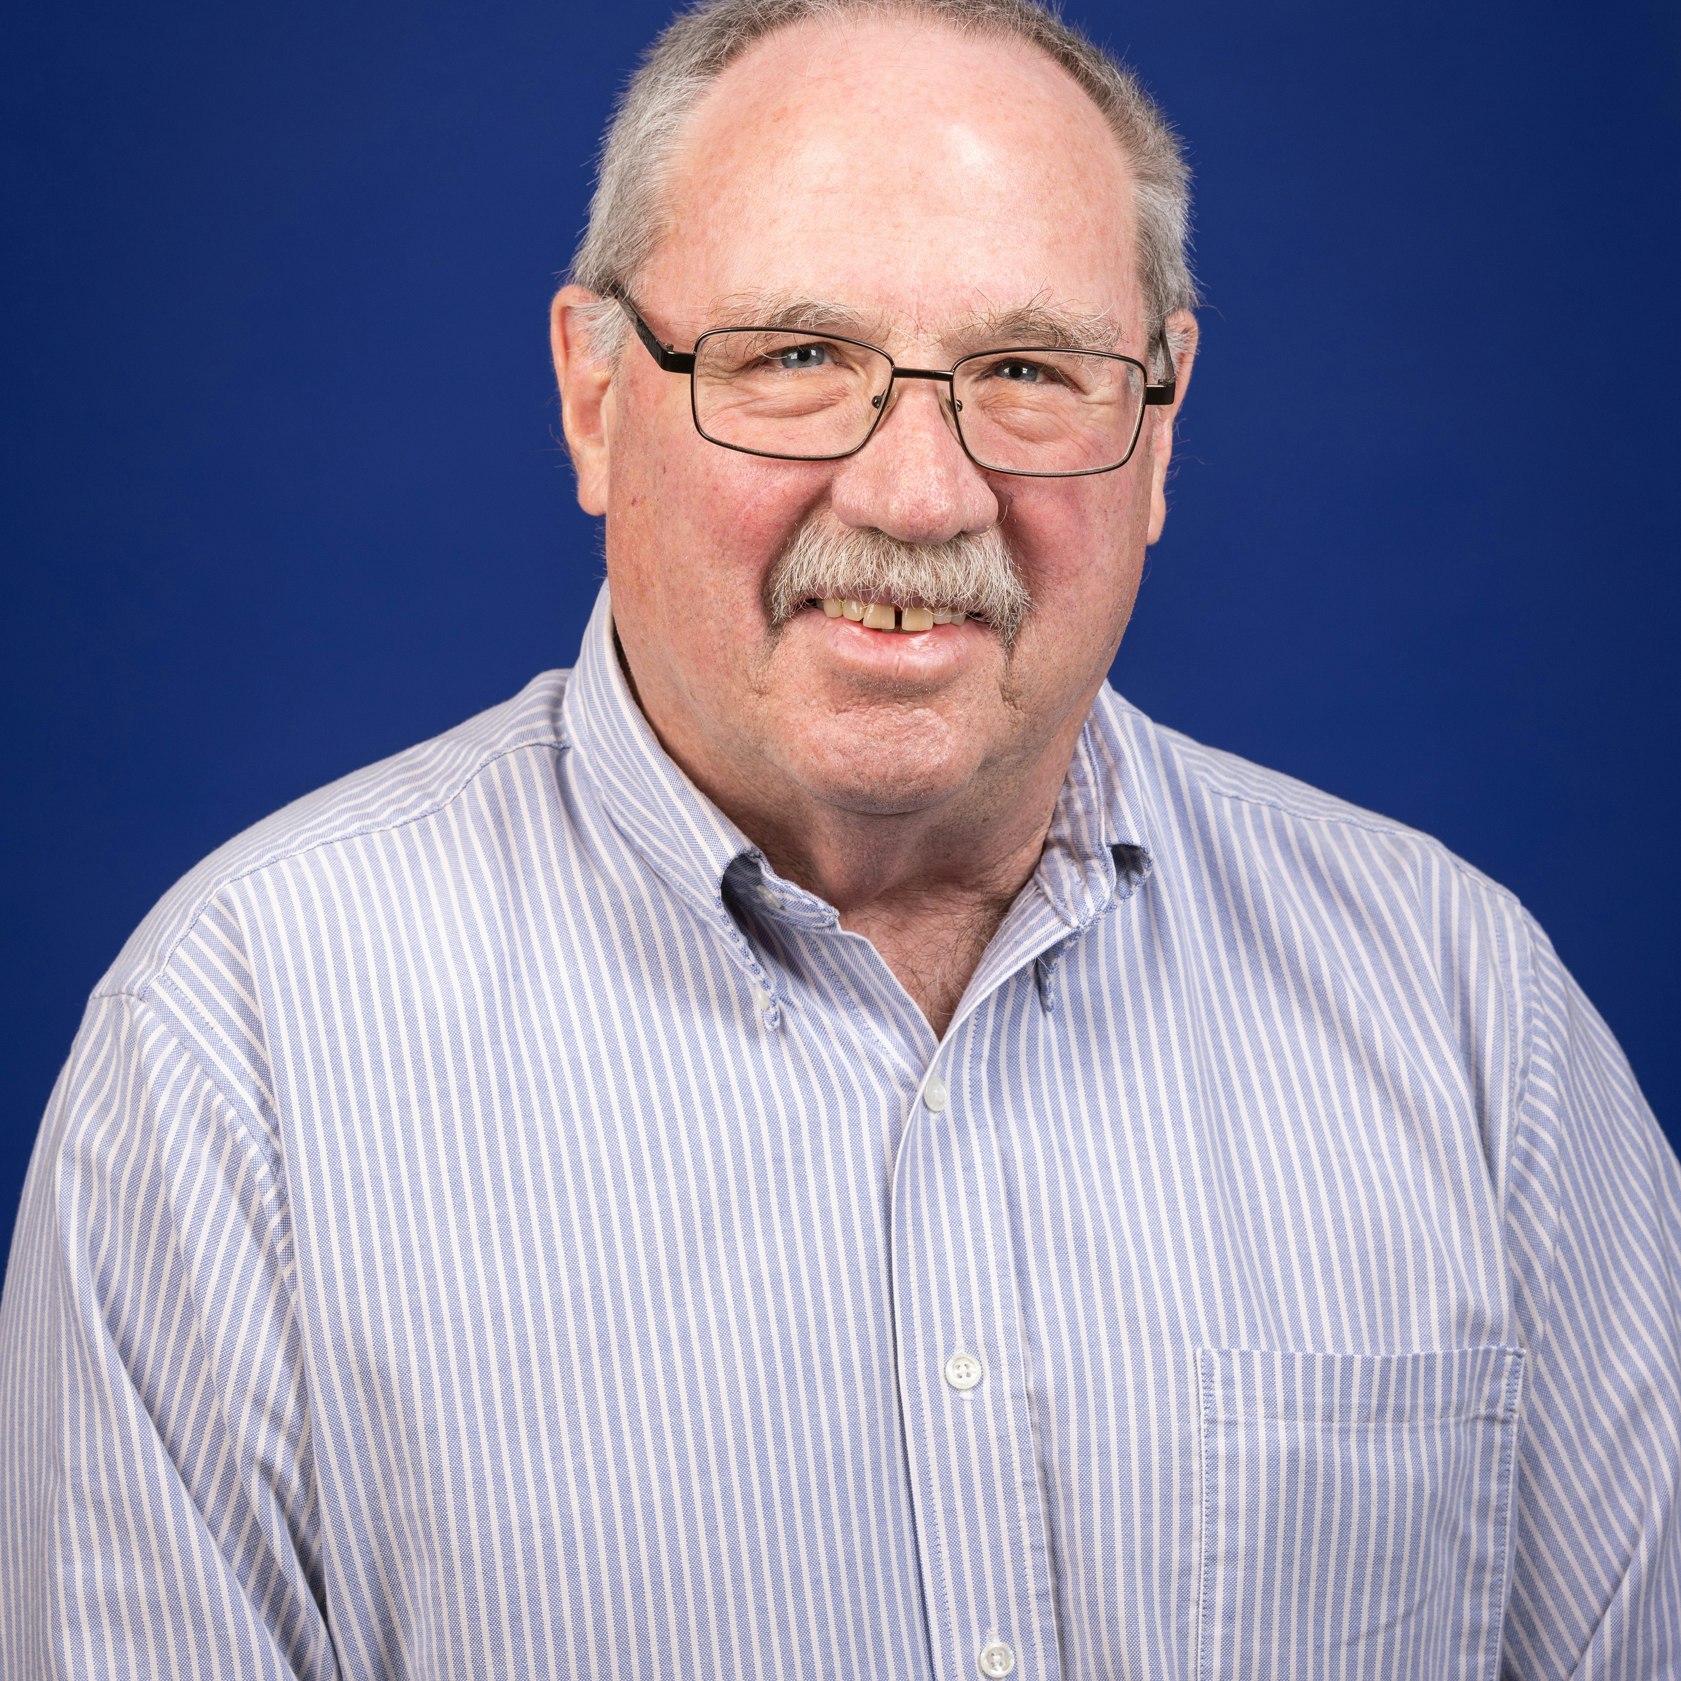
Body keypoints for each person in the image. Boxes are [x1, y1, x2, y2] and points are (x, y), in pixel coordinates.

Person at [2, 0, 1676, 1674]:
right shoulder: (236, 1066)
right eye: (798, 359)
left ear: (1157, 425)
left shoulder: (1466, 1020)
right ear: (595, 396)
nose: (917, 494)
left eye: (1027, 370)